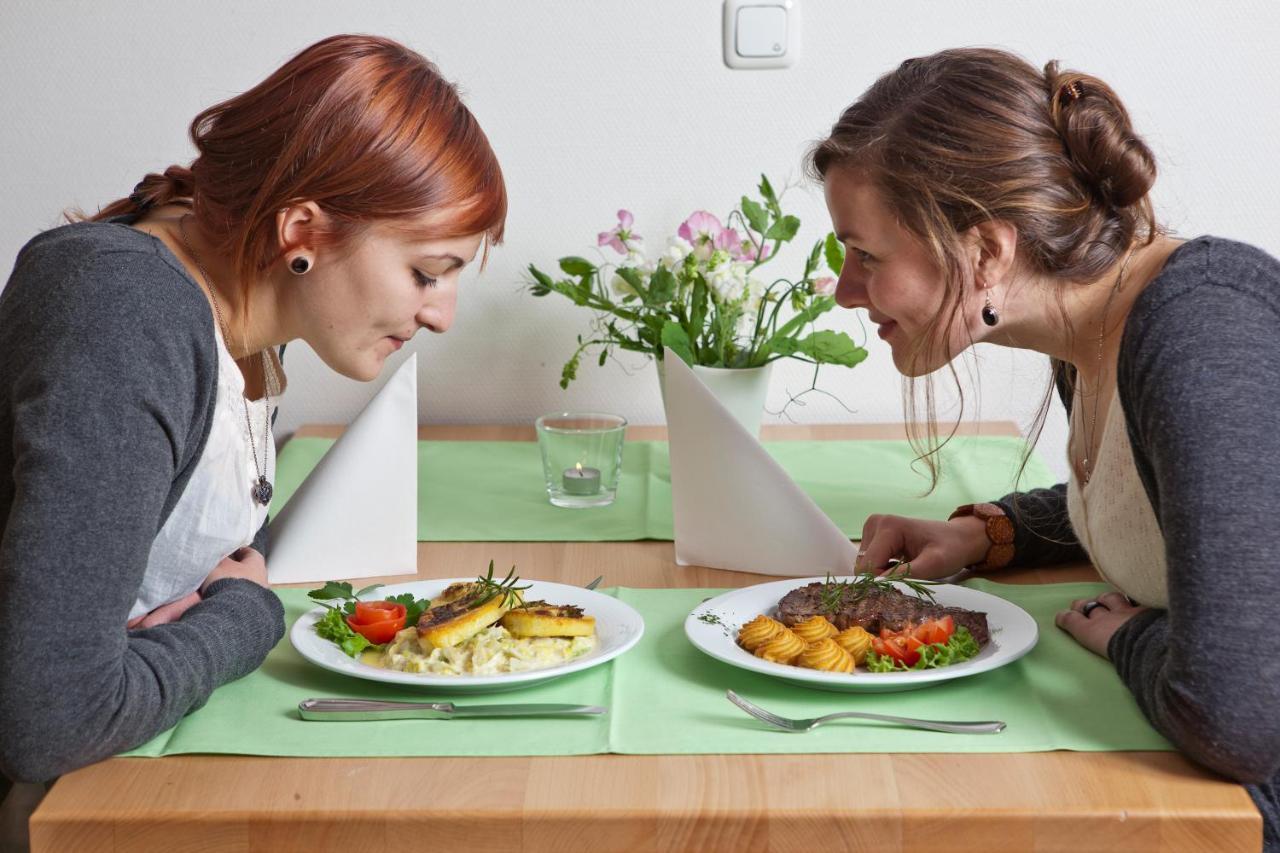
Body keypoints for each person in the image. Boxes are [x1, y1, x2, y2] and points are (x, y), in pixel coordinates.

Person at [0, 34, 506, 785]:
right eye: (426, 272)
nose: (443, 315)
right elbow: (51, 717)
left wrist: (206, 607)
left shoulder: (236, 308)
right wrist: (242, 618)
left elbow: (203, 535)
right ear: (301, 231)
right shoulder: (127, 320)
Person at [810, 48, 1280, 848]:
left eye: (866, 255)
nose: (846, 289)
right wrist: (992, 531)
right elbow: (1177, 513)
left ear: (988, 251)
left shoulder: (1199, 334)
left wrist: (1125, 633)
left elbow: (1240, 717)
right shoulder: (1094, 332)